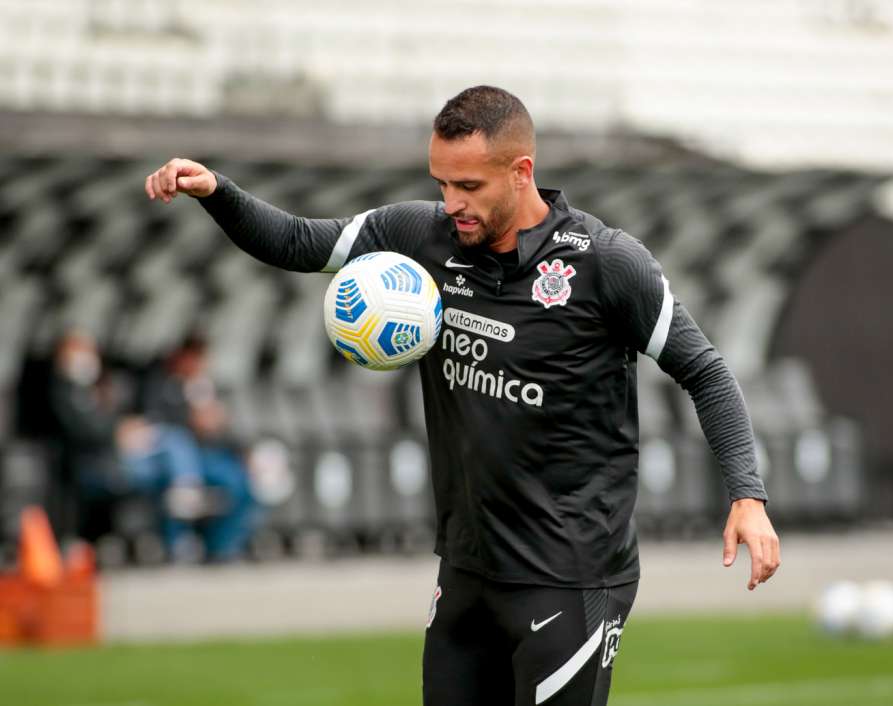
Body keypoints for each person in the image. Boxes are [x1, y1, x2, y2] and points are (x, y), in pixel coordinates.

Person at [145, 85, 781, 706]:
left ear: (521, 172)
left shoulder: (606, 264)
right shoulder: (421, 236)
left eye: (469, 186)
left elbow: (706, 372)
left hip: (571, 573)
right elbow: (296, 242)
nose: (451, 203)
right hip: (467, 567)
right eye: (441, 183)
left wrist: (746, 495)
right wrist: (217, 192)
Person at [48, 330, 206, 556]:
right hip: (95, 463)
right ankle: (183, 495)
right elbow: (83, 430)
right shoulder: (63, 391)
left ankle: (181, 515)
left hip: (120, 455)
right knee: (170, 456)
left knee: (172, 453)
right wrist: (116, 432)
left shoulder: (96, 387)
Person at [140, 335, 258, 562]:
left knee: (240, 484)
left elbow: (224, 427)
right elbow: (157, 421)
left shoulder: (207, 387)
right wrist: (190, 417)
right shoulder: (161, 385)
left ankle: (222, 546)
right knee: (178, 487)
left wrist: (243, 450)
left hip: (209, 455)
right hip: (175, 456)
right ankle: (176, 544)